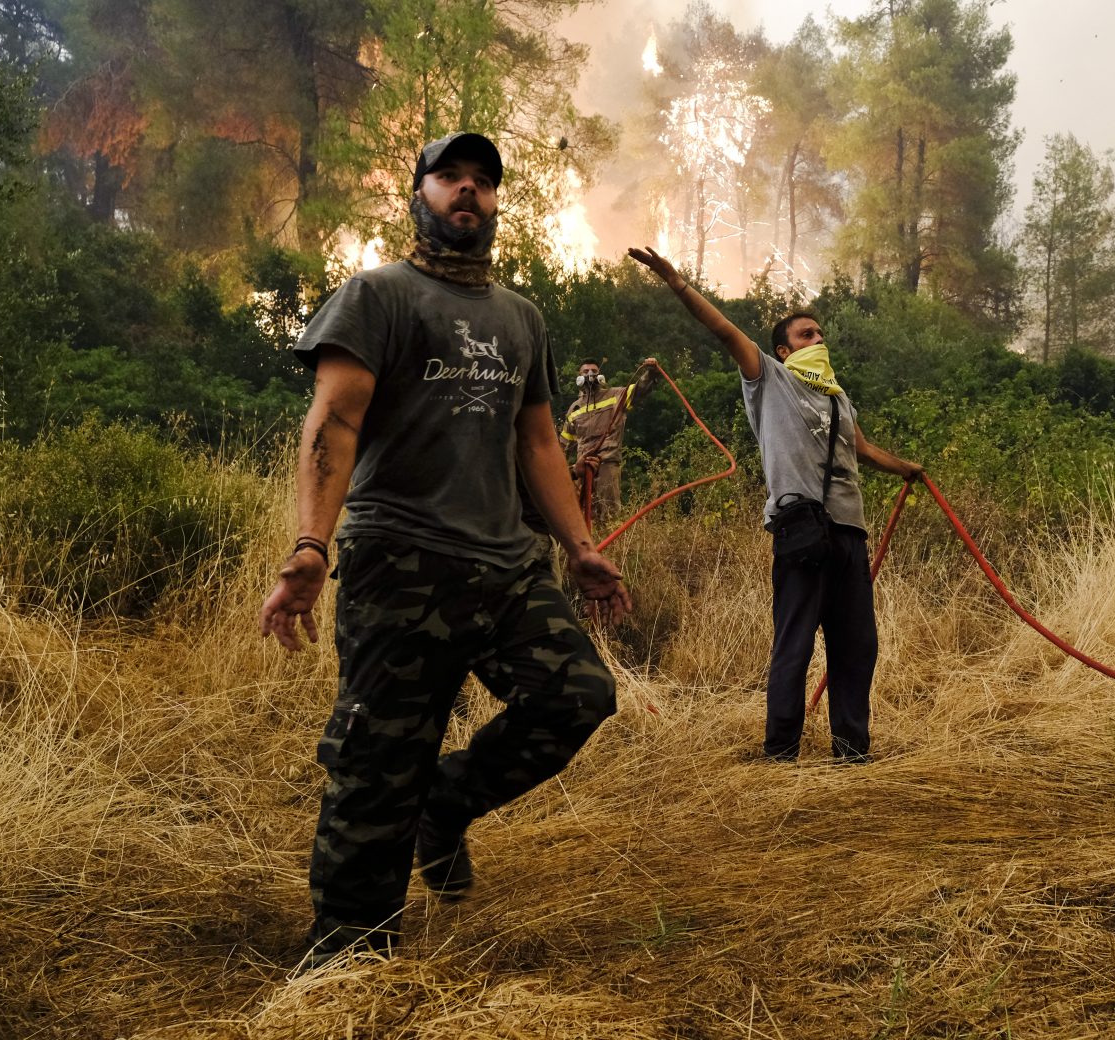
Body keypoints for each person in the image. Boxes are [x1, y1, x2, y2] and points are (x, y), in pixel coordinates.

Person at [258, 131, 631, 968]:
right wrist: (311, 546)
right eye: (450, 176)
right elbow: (335, 420)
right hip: (401, 561)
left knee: (577, 694)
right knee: (380, 760)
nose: (468, 190)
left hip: (506, 565)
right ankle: (349, 958)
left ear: (495, 203)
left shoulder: (521, 318)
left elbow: (538, 441)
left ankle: (448, 803)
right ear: (419, 195)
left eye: (483, 181)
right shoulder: (377, 296)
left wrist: (579, 546)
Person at [627, 246, 923, 763]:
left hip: (849, 533)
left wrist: (906, 468)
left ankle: (852, 751)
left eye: (820, 333)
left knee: (857, 647)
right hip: (802, 532)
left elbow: (862, 448)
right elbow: (723, 329)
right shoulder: (769, 379)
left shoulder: (837, 396)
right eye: (807, 335)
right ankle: (780, 752)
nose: (819, 340)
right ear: (783, 350)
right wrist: (676, 282)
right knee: (795, 645)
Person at [561, 356, 659, 522]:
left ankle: (612, 538)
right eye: (585, 371)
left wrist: (651, 372)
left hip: (607, 463)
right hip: (583, 468)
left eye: (594, 371)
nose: (590, 374)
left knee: (609, 513)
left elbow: (640, 389)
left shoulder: (615, 395)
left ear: (600, 375)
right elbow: (562, 446)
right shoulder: (574, 408)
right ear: (578, 377)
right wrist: (567, 473)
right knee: (582, 515)